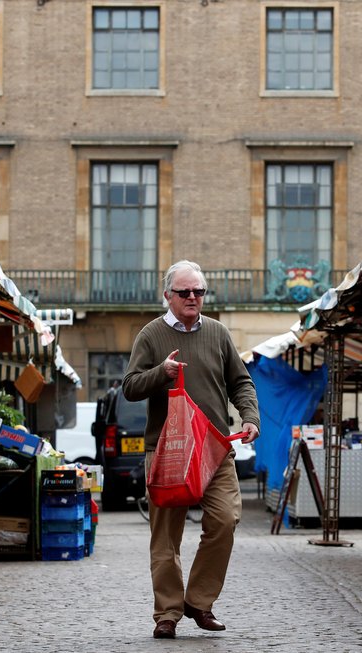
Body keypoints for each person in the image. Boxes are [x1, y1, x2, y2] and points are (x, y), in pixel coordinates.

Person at [122, 259, 260, 640]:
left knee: (226, 519)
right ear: (167, 295)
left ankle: (198, 602)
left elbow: (241, 383)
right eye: (184, 292)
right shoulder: (150, 335)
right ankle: (167, 613)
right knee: (165, 537)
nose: (192, 297)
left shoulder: (217, 333)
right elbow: (130, 387)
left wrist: (250, 417)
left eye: (198, 291)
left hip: (216, 448)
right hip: (168, 451)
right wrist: (160, 374)